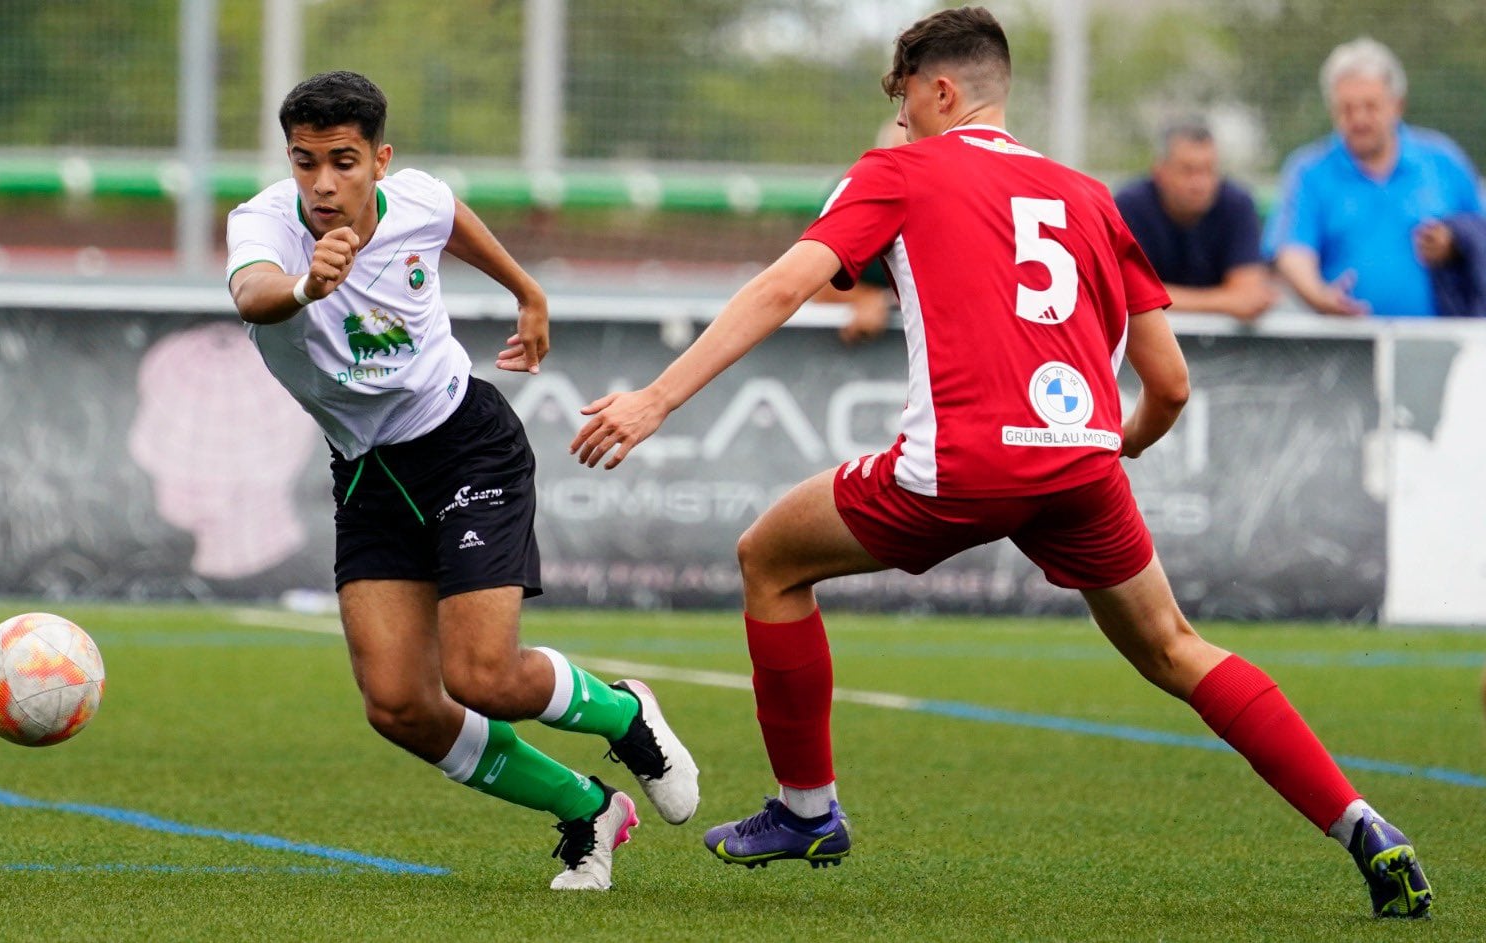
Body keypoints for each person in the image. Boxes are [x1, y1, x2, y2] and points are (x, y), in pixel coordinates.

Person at [569, 7, 1431, 919]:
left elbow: (787, 283)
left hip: (962, 469)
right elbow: (1171, 385)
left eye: (906, 104)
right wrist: (1115, 443)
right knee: (1178, 648)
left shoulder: (898, 171)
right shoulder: (1091, 196)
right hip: (1081, 468)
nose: (901, 124)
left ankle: (806, 809)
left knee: (768, 559)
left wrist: (656, 398)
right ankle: (1364, 825)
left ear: (943, 91)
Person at [223, 70, 698, 891]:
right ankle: (587, 807)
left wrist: (528, 292)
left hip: (464, 443)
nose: (323, 183)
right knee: (399, 704)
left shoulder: (417, 200)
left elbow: (452, 222)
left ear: (380, 159)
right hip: (367, 473)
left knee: (482, 676)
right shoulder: (263, 225)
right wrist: (307, 285)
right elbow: (253, 293)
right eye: (305, 162)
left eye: (343, 160)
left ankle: (625, 712)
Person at [1265, 37, 1483, 317]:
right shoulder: (1308, 171)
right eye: (1347, 109)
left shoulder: (1444, 161)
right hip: (1346, 347)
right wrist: (1319, 295)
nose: (1359, 119)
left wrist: (1453, 242)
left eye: (1370, 106)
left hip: (1441, 345)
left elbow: (1479, 233)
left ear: (1397, 105)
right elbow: (1292, 250)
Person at [1115, 118, 1275, 320]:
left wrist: (1158, 298)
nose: (1199, 183)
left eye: (1208, 170)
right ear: (1159, 172)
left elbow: (1248, 293)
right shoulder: (1130, 205)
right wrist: (1227, 301)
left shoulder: (1238, 203)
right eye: (1187, 170)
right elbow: (1127, 294)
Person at [812, 119, 912, 344]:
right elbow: (813, 284)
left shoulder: (951, 207)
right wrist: (865, 298)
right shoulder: (854, 201)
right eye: (899, 161)